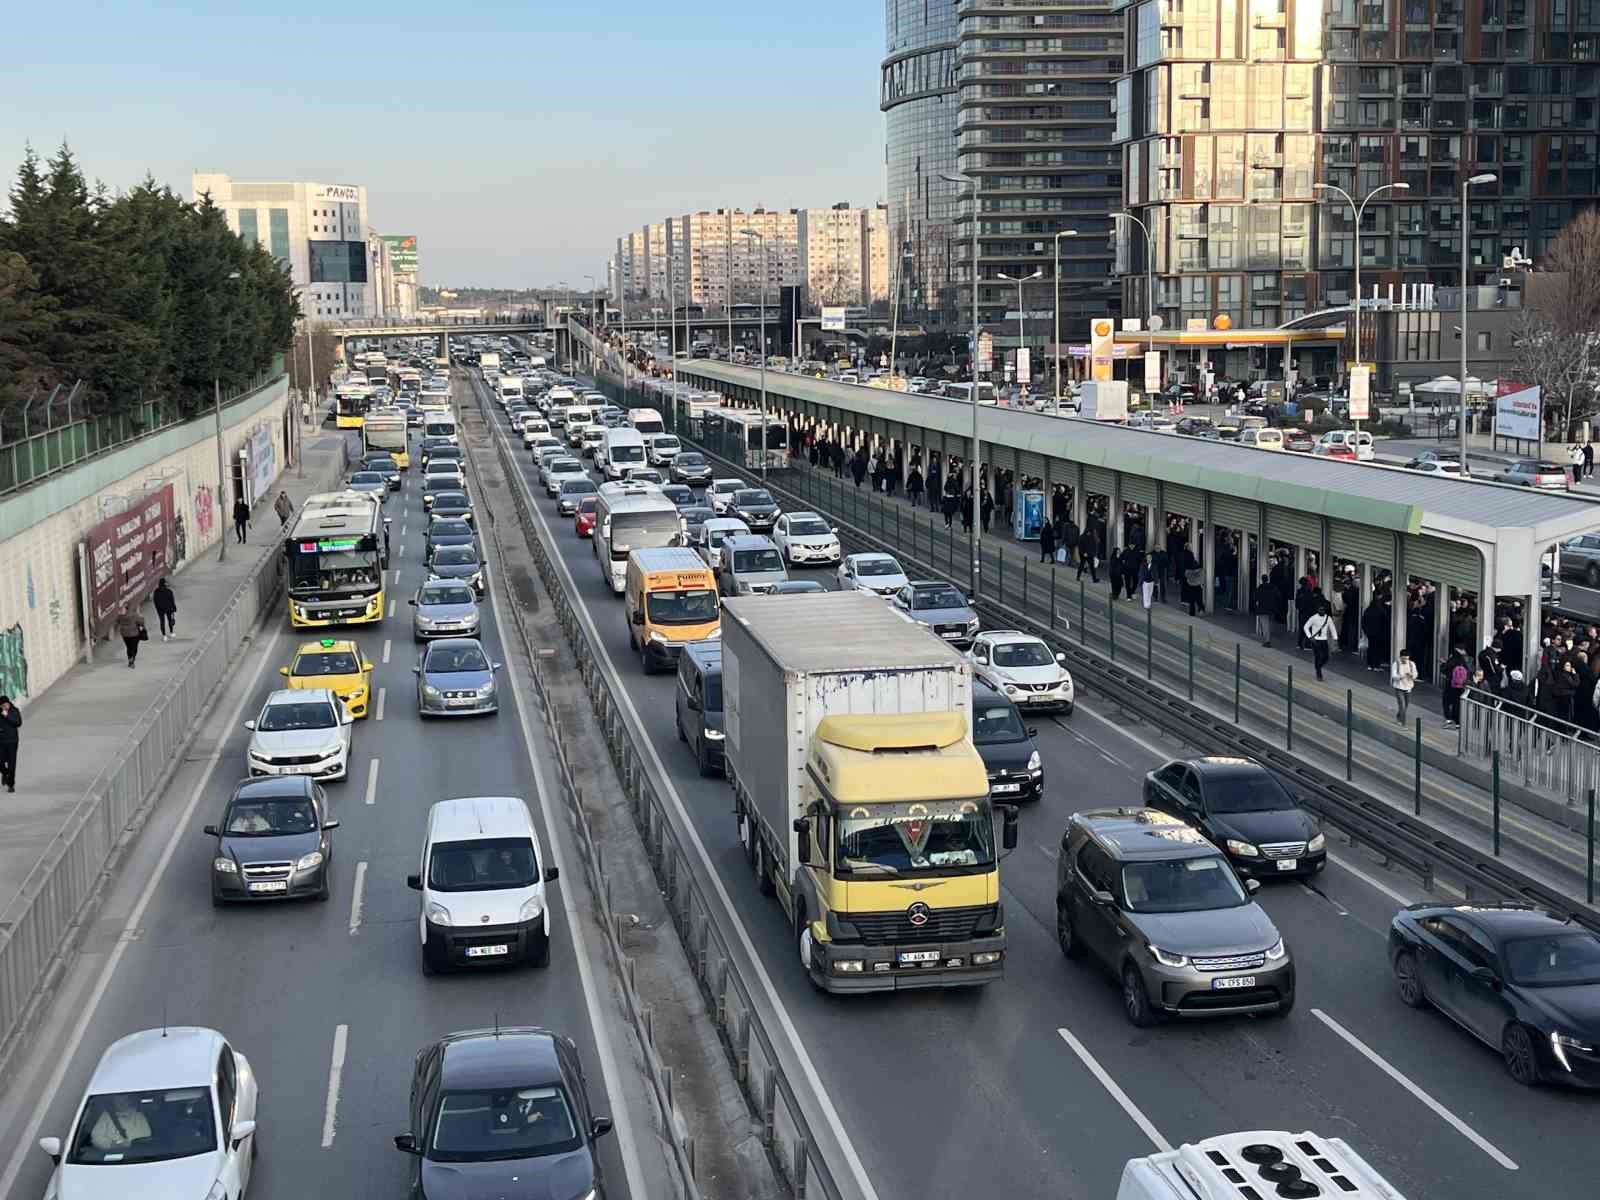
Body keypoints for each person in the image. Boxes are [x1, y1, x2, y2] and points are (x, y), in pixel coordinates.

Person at [1304, 602, 1336, 681]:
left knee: (1326, 657)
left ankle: (1318, 667)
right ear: (1318, 610)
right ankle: (1319, 674)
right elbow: (1306, 627)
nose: (1322, 611)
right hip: (1315, 640)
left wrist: (1335, 638)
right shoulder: (1313, 618)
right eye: (1321, 610)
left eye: (1323, 610)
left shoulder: (1328, 618)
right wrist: (1310, 637)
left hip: (1324, 640)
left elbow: (1332, 628)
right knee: (1317, 656)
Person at [1391, 650, 1418, 723]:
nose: (1405, 660)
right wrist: (1401, 676)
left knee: (1406, 705)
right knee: (1402, 705)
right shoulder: (1396, 664)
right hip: (1399, 687)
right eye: (1404, 658)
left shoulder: (1411, 664)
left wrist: (1412, 675)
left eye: (1407, 658)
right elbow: (1394, 676)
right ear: (1400, 657)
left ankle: (1399, 716)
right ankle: (1403, 722)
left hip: (1408, 687)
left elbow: (1415, 674)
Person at [0, 695, 20, 793]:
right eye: (3, 705)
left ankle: (11, 785)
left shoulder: (14, 711)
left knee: (12, 764)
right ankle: (5, 773)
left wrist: (7, 715)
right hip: (1, 742)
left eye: (6, 704)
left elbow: (18, 722)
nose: (5, 706)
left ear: (9, 703)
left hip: (12, 742)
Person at [1251, 574, 1276, 646]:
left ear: (1262, 580)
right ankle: (1269, 638)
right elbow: (1278, 596)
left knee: (1265, 625)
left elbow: (1255, 598)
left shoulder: (1260, 588)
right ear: (1267, 579)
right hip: (1271, 609)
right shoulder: (1273, 587)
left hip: (1262, 609)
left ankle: (1267, 641)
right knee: (1270, 624)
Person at [152, 577, 177, 641]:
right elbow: (172, 601)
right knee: (170, 620)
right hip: (169, 609)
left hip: (160, 610)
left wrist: (157, 608)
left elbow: (155, 601)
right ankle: (171, 633)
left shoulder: (156, 591)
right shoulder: (169, 591)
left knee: (162, 622)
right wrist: (174, 608)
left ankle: (164, 636)